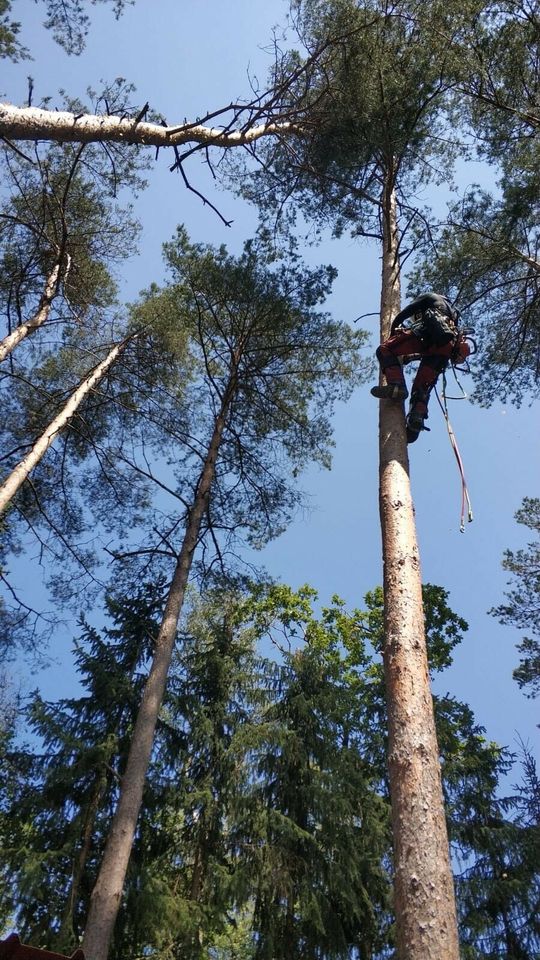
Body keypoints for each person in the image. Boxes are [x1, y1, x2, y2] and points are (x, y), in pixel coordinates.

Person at [370, 292, 471, 442]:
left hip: (427, 336)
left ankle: (396, 386)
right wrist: (410, 358)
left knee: (384, 350)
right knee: (421, 387)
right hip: (444, 351)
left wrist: (393, 332)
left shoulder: (429, 297)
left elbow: (406, 313)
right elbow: (435, 346)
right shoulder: (452, 314)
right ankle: (415, 420)